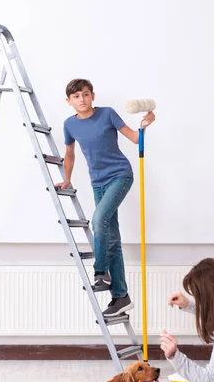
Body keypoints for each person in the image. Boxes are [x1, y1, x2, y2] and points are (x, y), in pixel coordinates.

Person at [56, 79, 155, 317]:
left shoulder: (107, 114)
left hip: (120, 176)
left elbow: (135, 138)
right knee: (112, 240)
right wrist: (67, 179)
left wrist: (144, 125)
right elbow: (69, 154)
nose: (82, 99)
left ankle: (101, 272)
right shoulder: (69, 124)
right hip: (97, 184)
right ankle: (120, 295)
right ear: (69, 101)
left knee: (98, 219)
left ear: (93, 96)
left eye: (86, 94)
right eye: (77, 96)